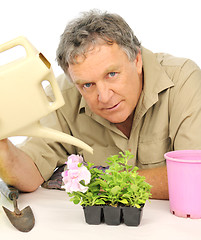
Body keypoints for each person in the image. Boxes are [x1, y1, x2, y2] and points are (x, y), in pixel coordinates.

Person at [1, 10, 201, 200]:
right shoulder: (62, 96)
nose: (104, 97)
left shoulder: (183, 80)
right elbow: (30, 174)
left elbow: (194, 178)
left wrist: (102, 182)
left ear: (137, 60)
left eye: (112, 74)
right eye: (87, 85)